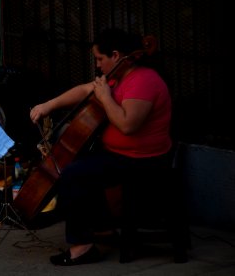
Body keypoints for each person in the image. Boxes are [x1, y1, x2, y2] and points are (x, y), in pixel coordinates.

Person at [29, 28, 173, 266]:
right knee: (77, 162)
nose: (97, 65)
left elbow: (128, 125)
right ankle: (103, 228)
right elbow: (85, 90)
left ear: (116, 55)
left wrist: (105, 97)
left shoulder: (144, 81)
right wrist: (48, 105)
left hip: (142, 160)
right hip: (119, 154)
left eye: (99, 59)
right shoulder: (119, 76)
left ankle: (82, 247)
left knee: (73, 173)